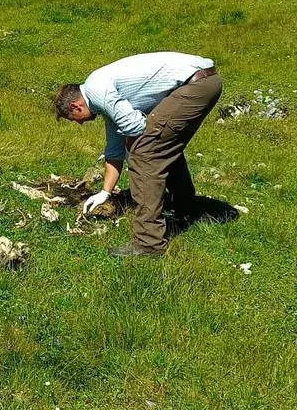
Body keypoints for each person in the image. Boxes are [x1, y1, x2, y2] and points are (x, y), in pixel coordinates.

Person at [54, 52, 222, 258]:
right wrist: (105, 193)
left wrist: (137, 153)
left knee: (144, 152)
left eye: (74, 118)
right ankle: (185, 210)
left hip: (195, 85)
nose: (79, 123)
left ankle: (149, 243)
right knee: (161, 146)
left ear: (76, 106)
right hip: (205, 81)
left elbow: (135, 126)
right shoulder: (100, 95)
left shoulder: (96, 90)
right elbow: (114, 149)